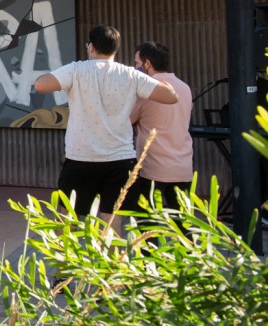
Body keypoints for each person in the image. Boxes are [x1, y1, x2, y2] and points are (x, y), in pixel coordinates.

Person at [34, 24, 178, 228]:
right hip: (120, 160)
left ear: (90, 47)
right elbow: (171, 97)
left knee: (68, 221)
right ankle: (112, 259)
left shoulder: (76, 70)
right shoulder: (130, 74)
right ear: (115, 49)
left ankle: (67, 259)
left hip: (81, 157)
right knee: (112, 223)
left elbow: (40, 85)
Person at [126, 41, 194, 212]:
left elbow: (126, 121)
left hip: (152, 169)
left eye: (137, 63)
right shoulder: (184, 88)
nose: (135, 68)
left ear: (147, 63)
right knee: (184, 226)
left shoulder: (146, 90)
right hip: (182, 167)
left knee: (148, 226)